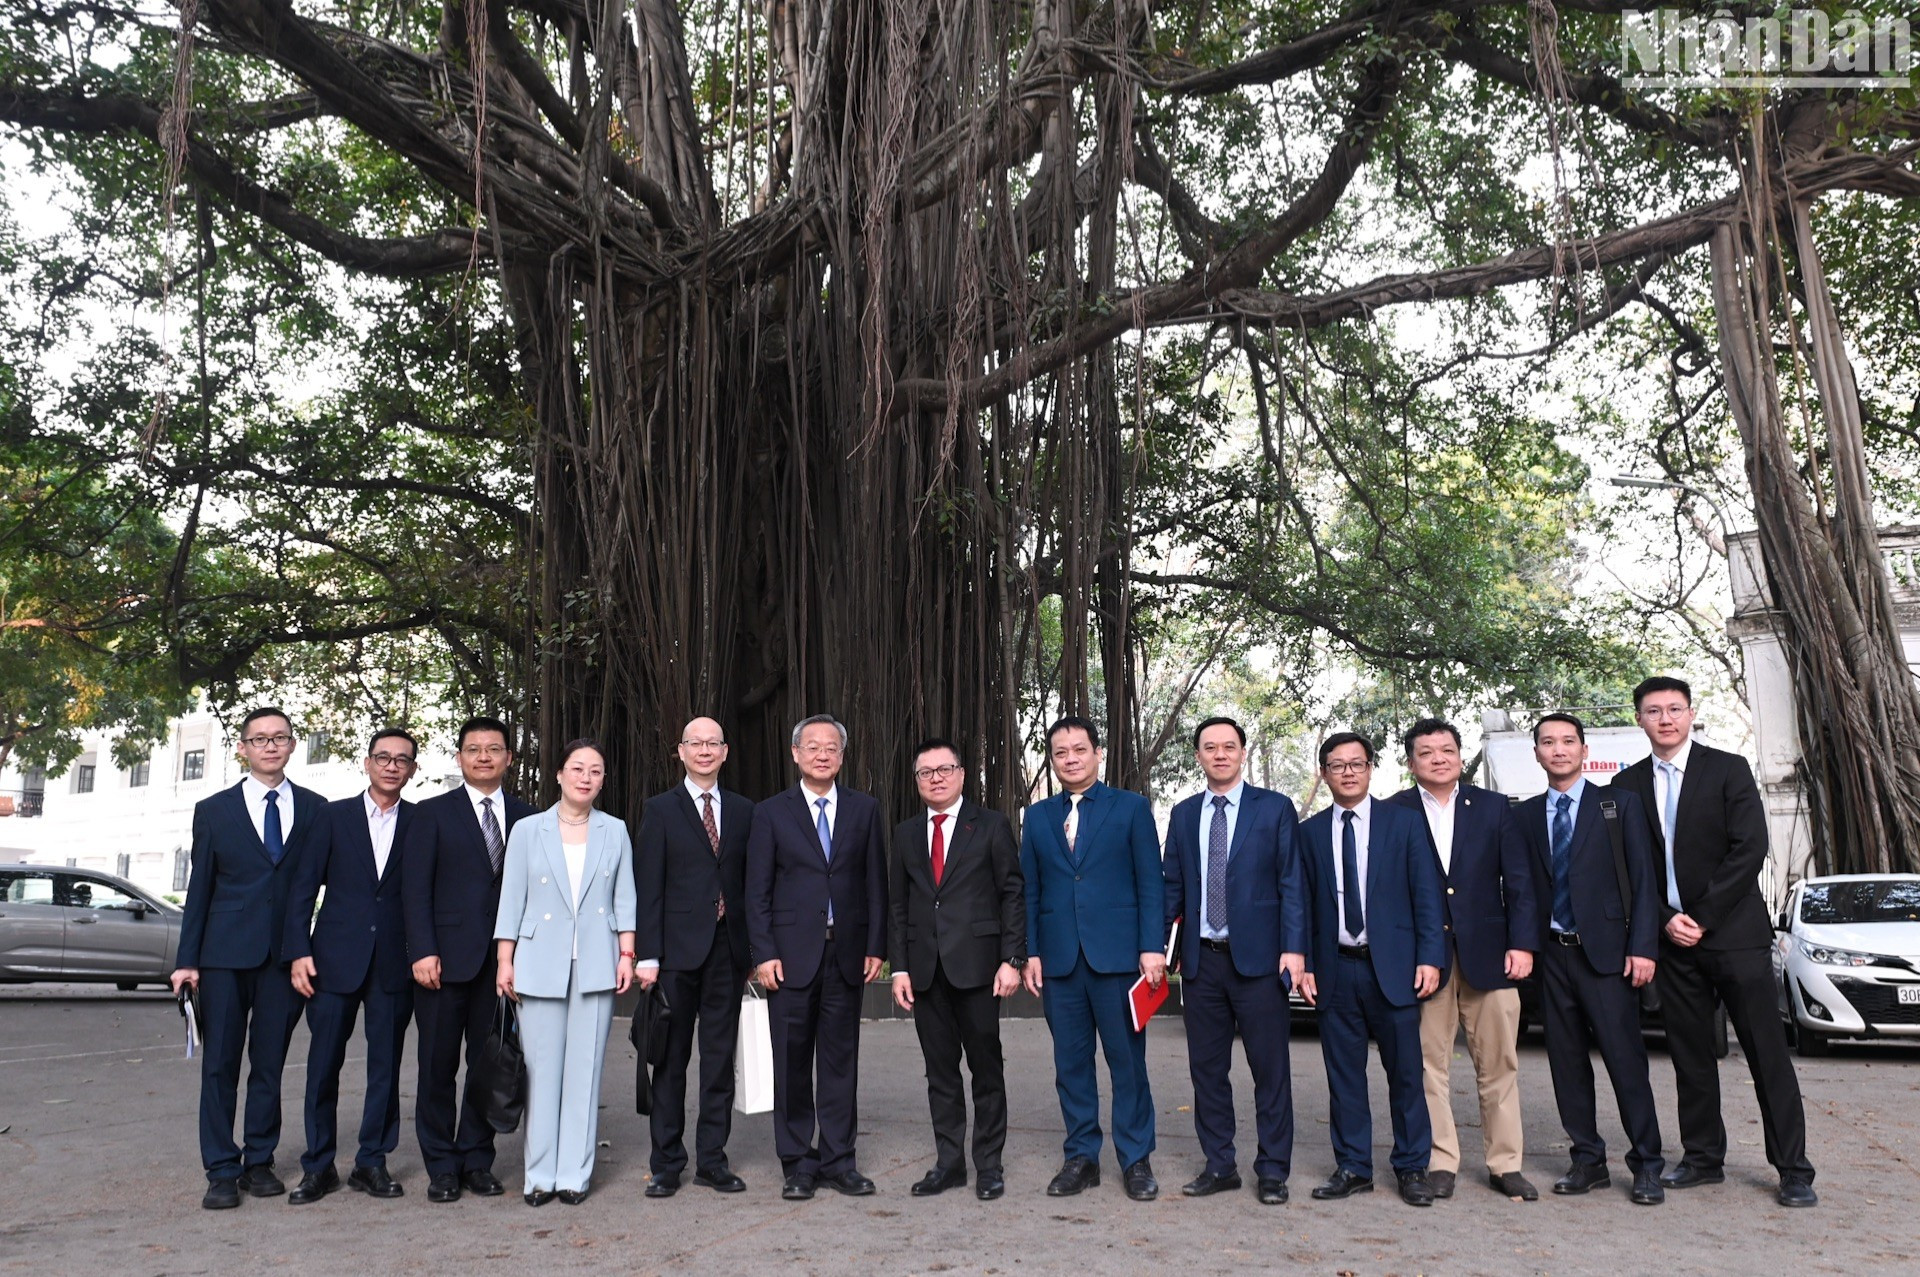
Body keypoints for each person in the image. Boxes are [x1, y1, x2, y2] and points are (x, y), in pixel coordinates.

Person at [1613, 676, 1817, 1207]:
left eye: (1674, 709)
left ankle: (1794, 1169)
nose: (1665, 718)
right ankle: (1703, 1158)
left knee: (1766, 1054)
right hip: (1673, 944)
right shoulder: (1626, 784)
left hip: (1735, 938)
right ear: (1639, 718)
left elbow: (1750, 848)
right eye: (1653, 710)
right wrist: (1664, 919)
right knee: (1691, 1057)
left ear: (1690, 713)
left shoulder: (1727, 769)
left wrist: (1700, 916)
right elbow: (1625, 869)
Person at [171, 707, 333, 1210]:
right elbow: (199, 889)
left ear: (290, 745)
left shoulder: (314, 808)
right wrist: (187, 959)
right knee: (220, 1063)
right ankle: (220, 1168)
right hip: (222, 955)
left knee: (269, 1063)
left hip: (283, 957)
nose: (269, 746)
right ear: (242, 748)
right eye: (259, 739)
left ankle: (257, 1161)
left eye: (279, 738)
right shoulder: (214, 810)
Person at [1385, 718, 1541, 1202]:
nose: (1439, 758)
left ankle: (1505, 1163)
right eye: (1427, 752)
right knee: (1428, 1065)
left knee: (1499, 1062)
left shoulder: (1493, 808)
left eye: (1447, 750)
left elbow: (1518, 882)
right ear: (1412, 763)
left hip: (1491, 956)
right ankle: (1440, 1160)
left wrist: (1522, 944)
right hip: (1423, 961)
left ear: (1460, 756)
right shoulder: (1394, 811)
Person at [1518, 713, 1665, 1206]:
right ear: (1535, 753)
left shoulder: (1618, 805)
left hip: (1607, 957)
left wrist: (1643, 947)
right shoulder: (1525, 815)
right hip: (1551, 959)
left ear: (1584, 750)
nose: (1557, 749)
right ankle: (1587, 1160)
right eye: (1547, 742)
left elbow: (1646, 882)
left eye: (1567, 741)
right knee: (1566, 1064)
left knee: (1626, 1063)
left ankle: (1647, 1164)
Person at [1161, 716, 1308, 1206]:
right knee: (1207, 1071)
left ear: (1243, 752)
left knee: (1270, 1070)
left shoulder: (1275, 808)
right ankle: (1219, 1164)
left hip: (1262, 963)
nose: (1220, 754)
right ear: (1198, 755)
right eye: (1210, 747)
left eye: (1228, 746)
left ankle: (1272, 1169)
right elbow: (1172, 888)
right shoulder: (1183, 815)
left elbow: (1292, 883)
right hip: (1202, 964)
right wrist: (1163, 950)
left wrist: (1294, 949)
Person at [1020, 715, 1166, 1202]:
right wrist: (1032, 953)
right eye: (1061, 753)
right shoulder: (1038, 817)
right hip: (1060, 963)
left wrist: (1152, 948)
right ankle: (1081, 1156)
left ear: (1097, 753)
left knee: (1127, 1063)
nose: (1071, 759)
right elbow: (1032, 891)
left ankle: (1135, 1159)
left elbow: (1150, 882)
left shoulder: (1130, 809)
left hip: (1119, 960)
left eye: (1079, 750)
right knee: (1071, 1064)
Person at [1297, 732, 1445, 1208]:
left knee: (1405, 1075)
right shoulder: (1311, 832)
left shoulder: (1403, 824)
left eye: (1356, 764)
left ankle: (1412, 1167)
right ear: (1324, 773)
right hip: (1335, 970)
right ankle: (1354, 1166)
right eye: (1337, 765)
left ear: (1370, 769)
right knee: (1344, 1077)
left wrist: (1430, 956)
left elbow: (1427, 894)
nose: (1347, 772)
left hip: (1396, 970)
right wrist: (1304, 965)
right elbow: (1300, 903)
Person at [745, 714, 888, 1201]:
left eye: (831, 747)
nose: (822, 754)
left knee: (839, 1061)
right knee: (790, 1060)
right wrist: (763, 953)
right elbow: (756, 891)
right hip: (788, 958)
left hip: (845, 954)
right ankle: (797, 1162)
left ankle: (839, 1160)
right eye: (813, 747)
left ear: (842, 756)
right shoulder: (771, 813)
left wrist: (876, 946)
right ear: (795, 754)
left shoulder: (865, 809)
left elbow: (875, 884)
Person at [495, 739, 637, 1206]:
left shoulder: (614, 830)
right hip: (538, 961)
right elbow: (512, 898)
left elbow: (624, 897)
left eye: (595, 771)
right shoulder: (528, 830)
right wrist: (505, 959)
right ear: (558, 774)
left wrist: (626, 955)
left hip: (596, 960)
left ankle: (574, 1173)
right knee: (540, 1071)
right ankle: (538, 1175)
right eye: (577, 768)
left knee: (585, 1071)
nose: (586, 777)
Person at [401, 715, 536, 1203]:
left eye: (494, 749)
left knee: (489, 1065)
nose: (484, 757)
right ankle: (441, 1165)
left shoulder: (530, 817)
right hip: (442, 962)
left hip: (503, 965)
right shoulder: (430, 814)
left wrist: (522, 956)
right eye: (474, 749)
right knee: (437, 1066)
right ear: (459, 758)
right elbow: (414, 890)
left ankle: (478, 1159)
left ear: (509, 759)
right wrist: (423, 950)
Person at [282, 729, 420, 1204]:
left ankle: (371, 1162)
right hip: (333, 961)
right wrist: (299, 951)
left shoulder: (420, 823)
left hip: (393, 965)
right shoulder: (332, 817)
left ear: (412, 770)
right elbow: (303, 889)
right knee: (323, 1065)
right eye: (383, 757)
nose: (391, 766)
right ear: (367, 763)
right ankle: (318, 1166)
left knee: (385, 1066)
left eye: (402, 760)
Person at [888, 738, 1025, 1201]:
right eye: (926, 772)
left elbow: (1011, 893)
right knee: (939, 1072)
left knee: (986, 1069)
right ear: (917, 781)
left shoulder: (989, 825)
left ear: (962, 774)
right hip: (926, 972)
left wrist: (1012, 959)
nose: (936, 778)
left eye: (944, 769)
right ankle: (949, 1163)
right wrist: (900, 969)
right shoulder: (906, 833)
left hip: (980, 969)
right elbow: (899, 906)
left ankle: (989, 1164)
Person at [633, 717, 754, 1197]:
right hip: (676, 956)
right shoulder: (660, 810)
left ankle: (712, 1160)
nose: (704, 750)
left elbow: (751, 883)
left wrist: (752, 951)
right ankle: (665, 1163)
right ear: (680, 751)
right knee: (671, 1061)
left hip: (728, 952)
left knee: (719, 1061)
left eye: (713, 743)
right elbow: (650, 887)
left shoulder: (746, 811)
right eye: (695, 743)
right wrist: (649, 955)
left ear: (725, 752)